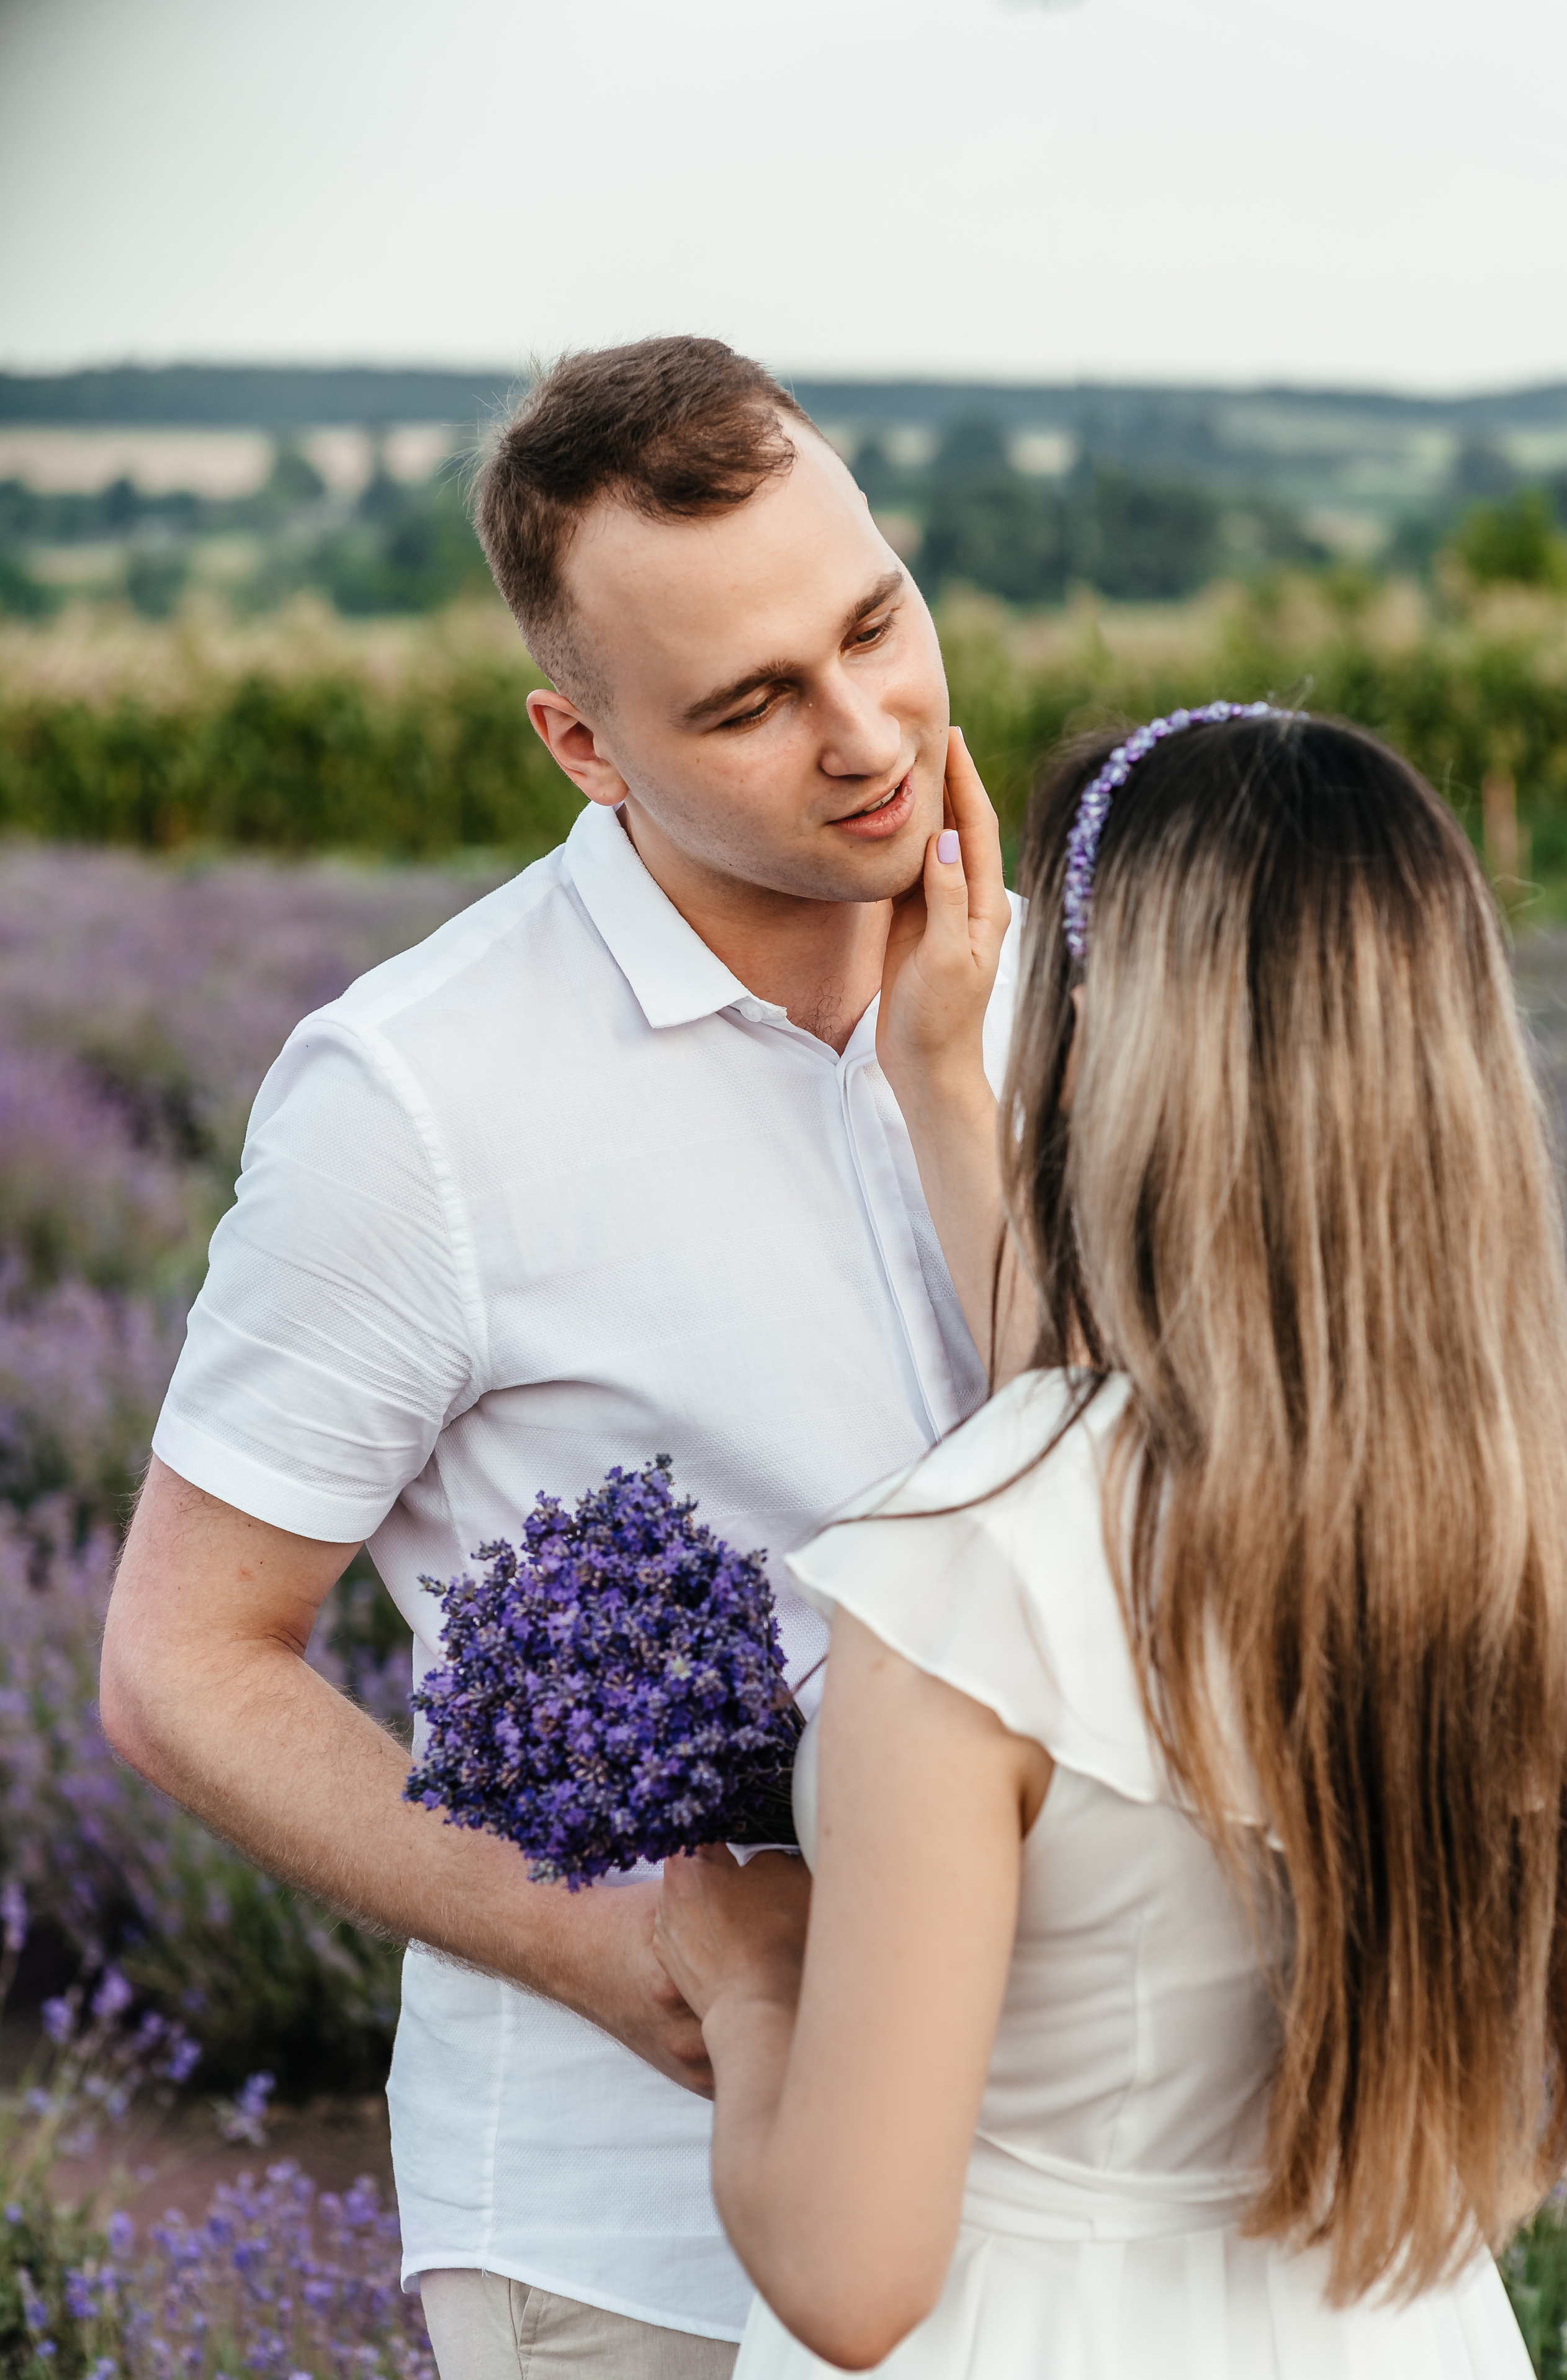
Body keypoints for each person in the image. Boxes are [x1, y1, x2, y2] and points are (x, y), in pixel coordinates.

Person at [99, 335, 1023, 2380]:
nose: (868, 730)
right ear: (583, 742)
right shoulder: (417, 1097)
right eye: (752, 701)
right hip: (641, 2240)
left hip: (1068, 2211)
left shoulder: (1076, 1000)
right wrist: (616, 1945)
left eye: (874, 620)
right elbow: (183, 1664)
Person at [653, 706, 1567, 2378]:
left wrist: (746, 1983)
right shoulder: (1519, 1507)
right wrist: (942, 1081)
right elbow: (1143, 1461)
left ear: (1102, 1057)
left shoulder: (973, 1575)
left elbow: (854, 2276)